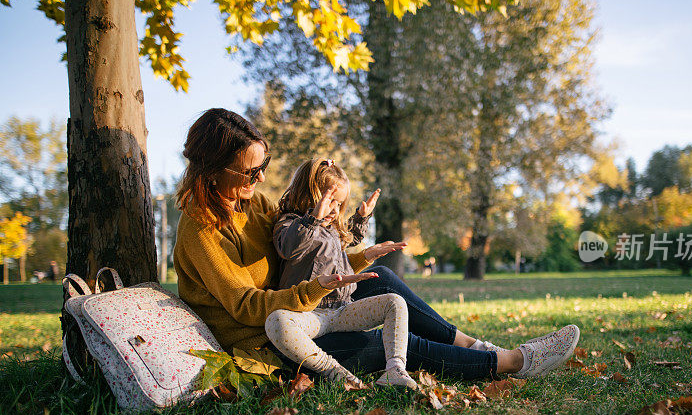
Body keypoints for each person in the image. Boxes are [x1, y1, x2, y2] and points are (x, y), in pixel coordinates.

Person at [172, 108, 580, 385]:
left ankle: (476, 346)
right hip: (269, 340)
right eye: (251, 170)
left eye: (265, 165)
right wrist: (320, 289)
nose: (261, 178)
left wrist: (356, 259)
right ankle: (511, 362)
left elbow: (304, 259)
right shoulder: (200, 230)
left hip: (305, 305)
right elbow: (246, 306)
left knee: (381, 277)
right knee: (383, 345)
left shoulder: (252, 202)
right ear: (213, 168)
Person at [268, 157, 416, 389]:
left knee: (395, 302)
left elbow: (349, 238)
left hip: (342, 309)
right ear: (308, 195)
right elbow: (289, 247)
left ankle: (395, 369)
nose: (334, 209)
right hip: (312, 314)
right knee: (276, 321)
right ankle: (334, 371)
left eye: (339, 203)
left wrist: (361, 218)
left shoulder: (332, 229)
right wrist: (313, 218)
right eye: (329, 201)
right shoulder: (290, 223)